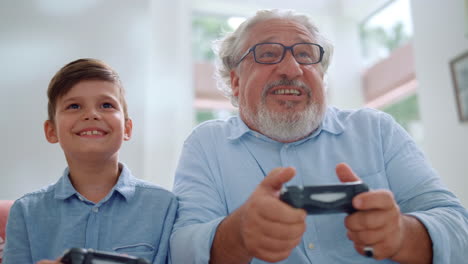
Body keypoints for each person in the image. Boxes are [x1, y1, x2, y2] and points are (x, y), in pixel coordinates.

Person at [170, 9, 468, 264]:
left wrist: (403, 234)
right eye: (268, 54)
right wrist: (237, 234)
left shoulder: (376, 130)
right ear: (236, 81)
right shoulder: (206, 144)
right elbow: (180, 249)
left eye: (305, 54)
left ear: (321, 77)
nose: (291, 68)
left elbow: (458, 229)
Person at [3, 58, 177, 264]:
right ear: (51, 131)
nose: (92, 114)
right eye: (74, 106)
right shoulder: (25, 212)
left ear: (127, 129)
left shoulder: (165, 207)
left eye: (106, 105)